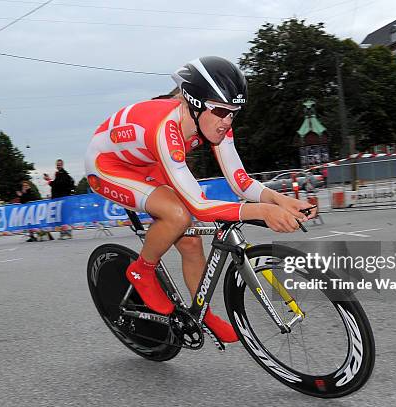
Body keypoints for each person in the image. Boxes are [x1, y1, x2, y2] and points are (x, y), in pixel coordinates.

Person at [85, 56, 316, 343]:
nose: (227, 121)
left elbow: (240, 181)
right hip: (107, 166)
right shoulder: (166, 129)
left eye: (234, 113)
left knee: (191, 240)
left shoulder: (214, 123)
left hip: (148, 162)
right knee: (179, 216)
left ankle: (201, 313)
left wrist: (280, 200)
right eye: (221, 111)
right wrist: (263, 211)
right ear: (194, 104)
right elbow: (200, 206)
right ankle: (141, 271)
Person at [44, 159, 75, 239]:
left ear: (62, 165)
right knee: (62, 216)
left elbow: (58, 185)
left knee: (64, 215)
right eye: (57, 165)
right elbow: (57, 185)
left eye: (59, 164)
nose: (58, 166)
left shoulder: (63, 174)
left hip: (63, 198)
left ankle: (67, 233)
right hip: (60, 198)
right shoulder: (59, 174)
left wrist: (49, 181)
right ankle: (64, 233)